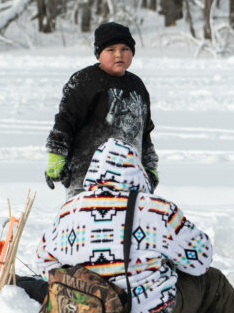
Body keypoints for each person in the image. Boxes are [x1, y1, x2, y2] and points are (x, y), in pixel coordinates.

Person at [36, 139, 234, 313]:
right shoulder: (155, 209)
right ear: (135, 170)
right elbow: (200, 259)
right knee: (211, 282)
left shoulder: (69, 209)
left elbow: (43, 262)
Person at [44, 22, 159, 196]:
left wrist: (150, 167)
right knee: (86, 221)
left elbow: (145, 133)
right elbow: (65, 121)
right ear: (99, 54)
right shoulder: (84, 81)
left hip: (130, 180)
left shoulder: (137, 86)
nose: (119, 54)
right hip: (86, 179)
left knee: (126, 222)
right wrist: (57, 157)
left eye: (125, 49)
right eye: (111, 50)